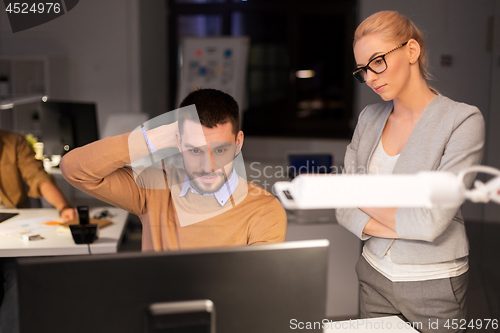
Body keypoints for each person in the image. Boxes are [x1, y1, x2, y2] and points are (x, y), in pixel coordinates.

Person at [335, 11, 485, 333]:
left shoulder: (462, 121)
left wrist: (359, 195)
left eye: (377, 61)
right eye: (363, 70)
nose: (371, 77)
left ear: (412, 51)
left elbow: (431, 221)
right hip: (372, 274)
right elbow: (342, 206)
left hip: (432, 282)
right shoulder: (368, 118)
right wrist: (409, 221)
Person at [60, 88, 287, 251]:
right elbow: (74, 169)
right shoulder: (153, 188)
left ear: (238, 143)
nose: (208, 166)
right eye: (195, 151)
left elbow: (257, 292)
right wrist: (151, 139)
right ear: (178, 143)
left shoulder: (264, 211)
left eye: (220, 151)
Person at [0, 130, 76, 333]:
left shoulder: (14, 142)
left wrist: (63, 207)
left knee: (25, 280)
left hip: (14, 232)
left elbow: (37, 176)